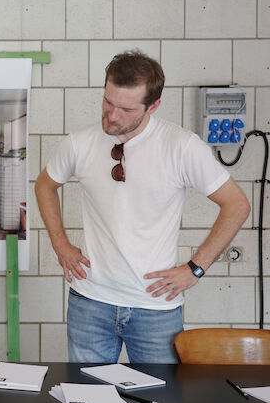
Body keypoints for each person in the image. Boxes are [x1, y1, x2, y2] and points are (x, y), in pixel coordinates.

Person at [35, 50, 251, 364]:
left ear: (153, 106)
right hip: (90, 301)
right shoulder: (78, 143)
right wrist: (60, 244)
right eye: (108, 102)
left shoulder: (181, 146)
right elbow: (45, 184)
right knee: (87, 400)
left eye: (125, 109)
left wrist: (195, 268)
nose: (112, 115)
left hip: (155, 307)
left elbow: (237, 205)